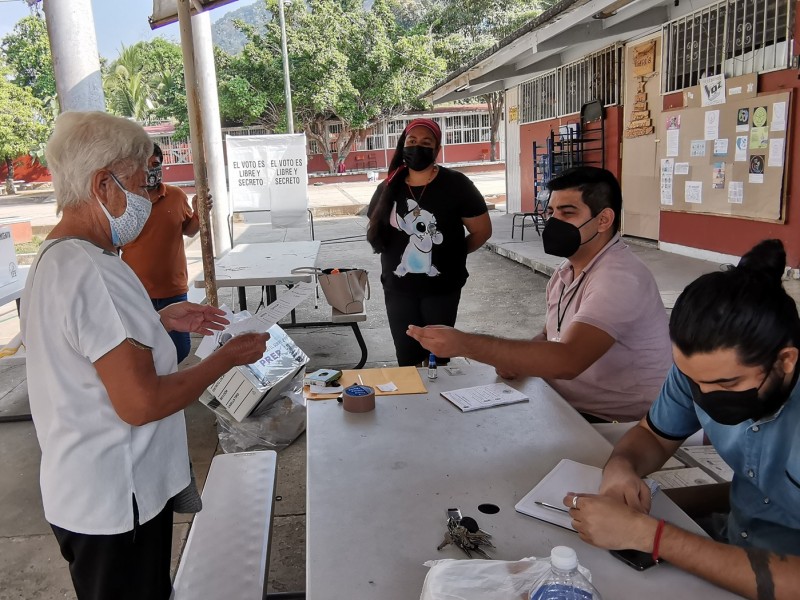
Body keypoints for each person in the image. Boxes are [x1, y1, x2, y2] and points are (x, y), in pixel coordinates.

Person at [20, 111, 269, 600]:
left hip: (82, 491)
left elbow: (81, 347)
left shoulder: (55, 258)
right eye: (141, 182)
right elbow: (140, 403)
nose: (147, 195)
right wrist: (224, 358)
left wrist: (158, 322)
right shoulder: (94, 270)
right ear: (103, 186)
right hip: (116, 501)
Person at [564, 239, 800, 600]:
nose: (703, 394)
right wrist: (621, 471)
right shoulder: (699, 371)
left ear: (785, 361)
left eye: (726, 383)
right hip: (732, 539)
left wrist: (653, 536)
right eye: (693, 380)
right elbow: (653, 437)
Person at [408, 166, 672, 422]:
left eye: (567, 213)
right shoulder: (566, 271)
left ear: (603, 220)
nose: (554, 221)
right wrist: (515, 361)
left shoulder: (619, 278)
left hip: (619, 424)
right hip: (566, 406)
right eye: (551, 212)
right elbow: (550, 336)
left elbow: (569, 360)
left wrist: (465, 344)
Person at [366, 118, 492, 366]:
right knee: (407, 360)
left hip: (442, 289)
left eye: (426, 142)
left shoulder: (457, 185)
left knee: (439, 360)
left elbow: (482, 231)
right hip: (399, 289)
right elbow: (377, 226)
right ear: (403, 145)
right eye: (412, 141)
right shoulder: (389, 186)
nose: (417, 147)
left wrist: (453, 254)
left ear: (437, 149)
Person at [121, 143, 210, 363]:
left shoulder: (176, 196)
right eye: (144, 165)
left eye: (155, 164)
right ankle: (155, 388)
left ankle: (166, 383)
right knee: (144, 347)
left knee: (179, 349)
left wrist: (200, 213)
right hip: (137, 292)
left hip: (173, 289)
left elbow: (189, 230)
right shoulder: (123, 201)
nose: (151, 170)